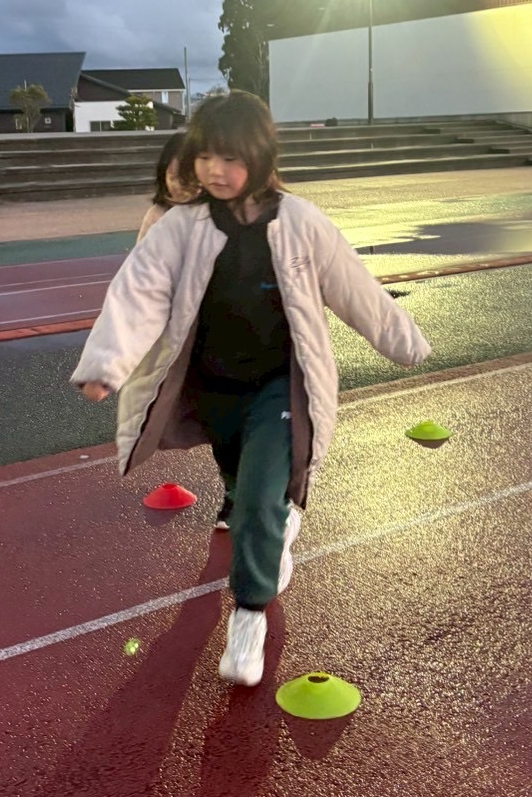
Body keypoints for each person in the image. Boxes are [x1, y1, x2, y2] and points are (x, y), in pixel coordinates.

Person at [71, 90, 429, 687]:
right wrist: (106, 364)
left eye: (231, 158)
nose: (215, 170)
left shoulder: (299, 221)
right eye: (206, 156)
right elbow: (138, 291)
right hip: (216, 387)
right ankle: (274, 528)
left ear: (260, 157)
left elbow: (352, 284)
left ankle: (248, 616)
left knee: (261, 495)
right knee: (242, 490)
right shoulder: (180, 227)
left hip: (279, 387)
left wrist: (404, 340)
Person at [137, 131, 194, 242]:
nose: (178, 185)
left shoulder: (208, 213)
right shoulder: (156, 215)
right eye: (172, 177)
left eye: (185, 178)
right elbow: (141, 250)